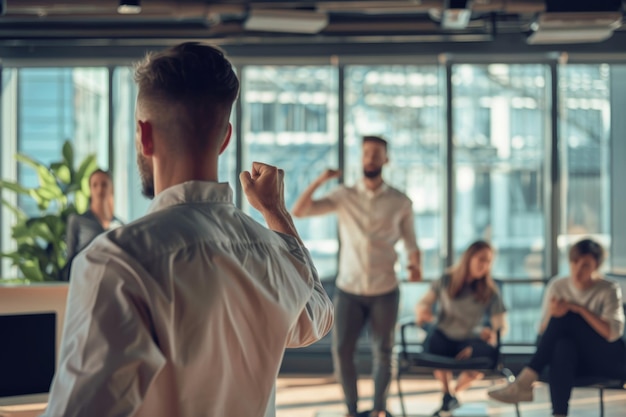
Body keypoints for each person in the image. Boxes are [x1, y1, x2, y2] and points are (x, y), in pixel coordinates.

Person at [42, 42, 334, 417]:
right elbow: (319, 311)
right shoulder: (270, 252)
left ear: (144, 136)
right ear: (226, 138)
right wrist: (275, 211)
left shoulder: (119, 262)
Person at [292, 135, 422, 417]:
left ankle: (379, 410)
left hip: (385, 288)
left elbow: (412, 245)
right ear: (360, 158)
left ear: (386, 159)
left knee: (384, 354)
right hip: (349, 288)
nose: (370, 158)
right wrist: (320, 180)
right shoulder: (344, 196)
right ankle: (351, 410)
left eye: (376, 153)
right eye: (366, 153)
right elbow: (299, 212)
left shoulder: (401, 202)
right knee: (341, 351)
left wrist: (415, 265)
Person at [488, 239, 626, 417]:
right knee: (563, 345)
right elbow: (543, 332)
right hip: (572, 362)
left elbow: (613, 334)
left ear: (596, 266)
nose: (578, 269)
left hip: (607, 360)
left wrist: (578, 309)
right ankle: (558, 414)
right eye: (574, 262)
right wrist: (552, 314)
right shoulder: (558, 285)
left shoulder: (608, 289)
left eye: (585, 265)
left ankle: (525, 381)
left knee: (568, 316)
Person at [415, 240, 506, 415]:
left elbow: (500, 326)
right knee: (434, 339)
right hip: (444, 337)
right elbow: (423, 304)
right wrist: (423, 312)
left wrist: (491, 334)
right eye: (481, 259)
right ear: (469, 258)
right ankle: (447, 393)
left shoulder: (491, 291)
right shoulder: (446, 280)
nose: (484, 265)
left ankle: (453, 394)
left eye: (488, 262)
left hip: (471, 340)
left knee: (487, 352)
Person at [63, 169, 123, 280]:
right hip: (85, 281)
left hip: (112, 283)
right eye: (95, 185)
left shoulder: (120, 225)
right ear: (90, 189)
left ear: (111, 188)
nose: (100, 189)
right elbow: (70, 260)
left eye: (104, 184)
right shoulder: (77, 221)